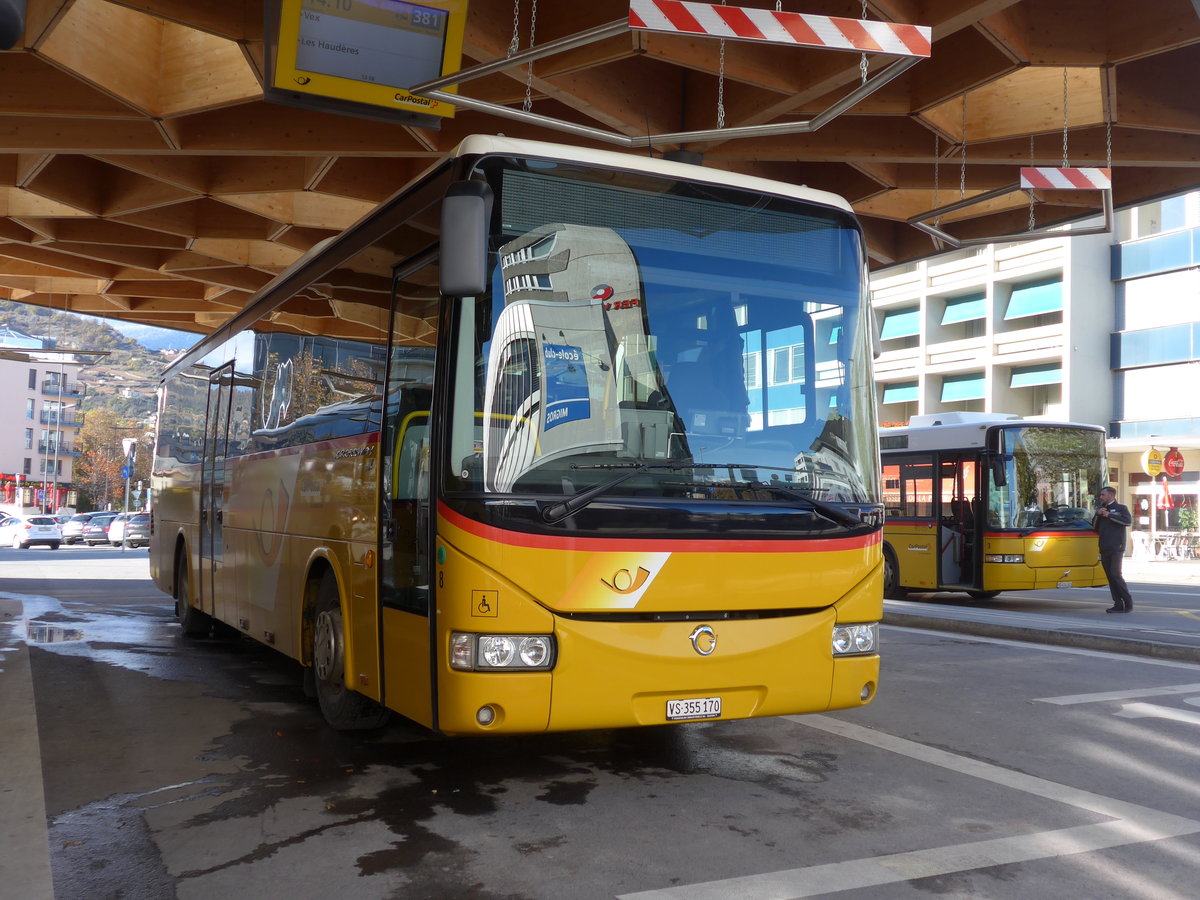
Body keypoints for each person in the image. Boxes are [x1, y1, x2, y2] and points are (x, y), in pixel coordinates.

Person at [1094, 486, 1134, 613]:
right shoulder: (1101, 510)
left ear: (1111, 495)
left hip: (1117, 546)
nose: (1101, 497)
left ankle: (1128, 601)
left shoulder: (1121, 508)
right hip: (1104, 547)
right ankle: (1117, 603)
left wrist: (1109, 515)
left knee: (1116, 574)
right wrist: (1098, 514)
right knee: (1110, 576)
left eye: (1103, 495)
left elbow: (1127, 521)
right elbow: (1094, 527)